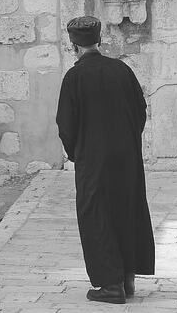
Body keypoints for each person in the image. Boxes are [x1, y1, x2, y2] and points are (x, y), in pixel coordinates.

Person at [56, 16, 155, 304]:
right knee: (125, 210)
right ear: (99, 40)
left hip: (94, 160)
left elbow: (66, 126)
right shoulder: (122, 70)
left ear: (73, 44)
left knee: (97, 215)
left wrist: (78, 154)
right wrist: (127, 143)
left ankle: (111, 285)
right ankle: (127, 279)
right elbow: (140, 111)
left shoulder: (73, 78)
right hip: (126, 158)